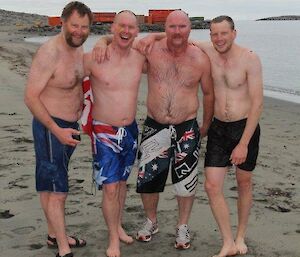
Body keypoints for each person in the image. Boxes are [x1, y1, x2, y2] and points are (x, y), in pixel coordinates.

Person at [94, 9, 214, 250]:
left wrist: (206, 125)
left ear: (189, 30)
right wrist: (101, 39)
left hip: (187, 126)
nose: (177, 31)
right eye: (172, 27)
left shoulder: (200, 58)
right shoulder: (150, 50)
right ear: (165, 29)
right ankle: (151, 220)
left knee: (186, 180)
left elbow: (209, 93)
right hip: (155, 124)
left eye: (182, 27)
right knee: (148, 179)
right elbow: (122, 39)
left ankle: (182, 226)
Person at [24, 2, 93, 257]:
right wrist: (56, 129)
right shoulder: (49, 53)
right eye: (75, 25)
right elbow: (31, 97)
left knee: (48, 184)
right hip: (51, 126)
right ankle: (64, 249)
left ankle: (55, 235)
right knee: (58, 189)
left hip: (68, 127)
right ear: (62, 22)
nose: (79, 31)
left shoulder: (77, 46)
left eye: (85, 27)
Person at [84, 10, 146, 257]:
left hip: (130, 130)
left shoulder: (140, 58)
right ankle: (113, 240)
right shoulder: (95, 57)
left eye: (131, 27)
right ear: (112, 27)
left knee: (121, 184)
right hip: (104, 131)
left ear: (137, 31)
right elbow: (67, 75)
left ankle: (118, 226)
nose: (126, 31)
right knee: (110, 188)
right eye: (121, 26)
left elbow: (174, 41)